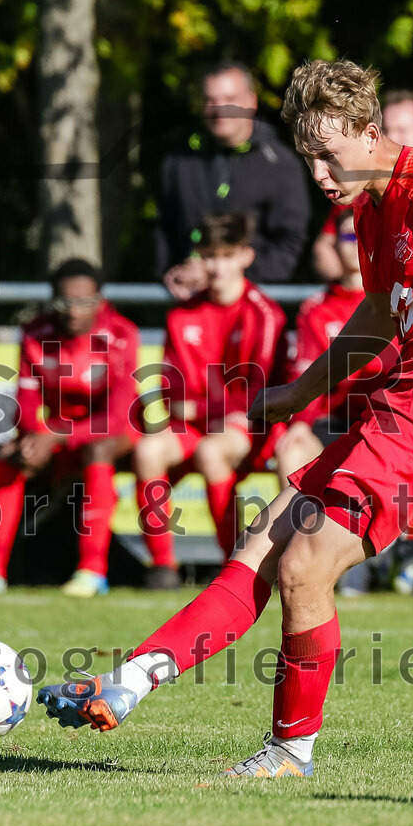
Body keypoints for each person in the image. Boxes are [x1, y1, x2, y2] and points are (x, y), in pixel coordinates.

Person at [34, 59, 413, 778]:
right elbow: (379, 316)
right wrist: (298, 392)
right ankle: (129, 682)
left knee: (306, 561)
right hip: (406, 399)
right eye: (307, 155)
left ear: (370, 132)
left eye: (329, 152)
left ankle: (292, 750)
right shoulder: (369, 206)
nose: (318, 172)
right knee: (264, 541)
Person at [0, 260, 140, 598]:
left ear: (100, 300)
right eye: (64, 302)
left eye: (84, 302)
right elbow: (25, 401)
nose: (74, 312)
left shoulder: (120, 334)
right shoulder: (36, 333)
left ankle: (92, 571)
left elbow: (118, 416)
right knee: (11, 455)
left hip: (112, 436)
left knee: (96, 448)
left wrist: (54, 435)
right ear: (52, 300)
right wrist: (34, 437)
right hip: (55, 433)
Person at [134, 212, 286, 590]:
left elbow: (258, 394)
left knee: (212, 452)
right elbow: (173, 393)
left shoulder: (264, 314)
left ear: (245, 256)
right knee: (147, 452)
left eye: (226, 254)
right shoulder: (182, 315)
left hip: (252, 426)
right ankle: (162, 568)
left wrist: (206, 409)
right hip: (201, 423)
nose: (217, 265)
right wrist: (205, 410)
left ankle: (232, 567)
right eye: (209, 255)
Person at [155, 62, 310, 299]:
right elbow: (162, 227)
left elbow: (290, 243)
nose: (219, 109)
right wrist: (170, 270)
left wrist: (227, 274)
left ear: (251, 101)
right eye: (210, 100)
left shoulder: (280, 164)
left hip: (252, 306)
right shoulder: (179, 160)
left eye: (229, 98)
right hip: (188, 304)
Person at [275, 210, 390, 484]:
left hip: (386, 425)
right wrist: (300, 423)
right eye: (348, 236)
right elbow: (303, 373)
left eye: (363, 234)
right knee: (292, 450)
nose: (356, 243)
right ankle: (295, 528)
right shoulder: (316, 310)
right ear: (335, 244)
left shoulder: (398, 302)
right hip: (331, 425)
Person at [312, 90, 413, 281]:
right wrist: (356, 282)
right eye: (386, 130)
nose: (392, 138)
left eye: (402, 130)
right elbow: (324, 248)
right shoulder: (361, 194)